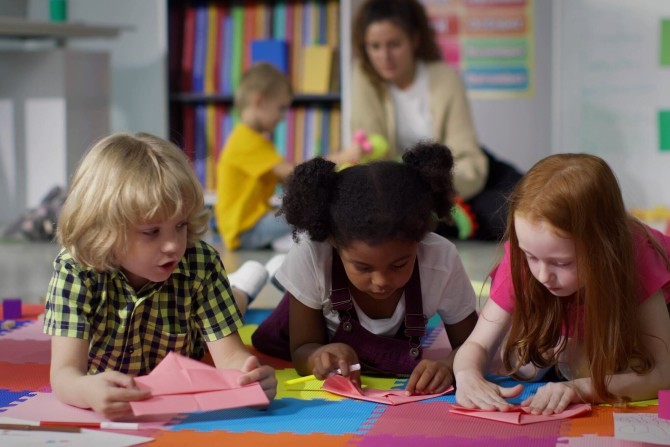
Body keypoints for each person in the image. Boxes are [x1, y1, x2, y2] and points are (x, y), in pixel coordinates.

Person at [43, 132, 277, 420]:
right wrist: (86, 389)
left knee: (236, 301)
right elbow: (65, 374)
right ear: (104, 228)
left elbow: (229, 357)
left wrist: (250, 377)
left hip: (193, 342)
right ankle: (241, 283)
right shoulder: (75, 269)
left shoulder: (198, 261)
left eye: (180, 226)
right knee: (232, 299)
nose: (173, 245)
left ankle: (245, 283)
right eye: (151, 232)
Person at [252, 142, 479, 395]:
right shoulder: (312, 254)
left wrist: (450, 366)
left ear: (420, 240)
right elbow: (302, 349)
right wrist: (319, 356)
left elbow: (474, 344)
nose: (382, 280)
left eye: (399, 264)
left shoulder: (441, 260)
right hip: (304, 308)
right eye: (363, 267)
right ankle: (253, 281)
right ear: (334, 243)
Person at [453, 153, 670, 415]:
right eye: (531, 257)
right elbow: (477, 344)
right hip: (574, 318)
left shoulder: (637, 258)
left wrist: (580, 389)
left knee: (602, 367)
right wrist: (467, 376)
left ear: (602, 249)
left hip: (637, 315)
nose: (543, 274)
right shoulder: (526, 256)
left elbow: (662, 373)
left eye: (562, 263)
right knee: (523, 360)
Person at [350, 0, 522, 241]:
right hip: (412, 190)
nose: (384, 56)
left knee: (523, 213)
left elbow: (470, 160)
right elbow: (372, 157)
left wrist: (432, 189)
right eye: (375, 46)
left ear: (415, 39)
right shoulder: (363, 78)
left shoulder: (444, 78)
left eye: (394, 44)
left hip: (463, 175)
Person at [215, 62, 362, 252]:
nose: (283, 117)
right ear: (259, 101)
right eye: (281, 108)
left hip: (251, 226)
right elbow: (294, 173)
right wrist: (342, 157)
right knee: (311, 209)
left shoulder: (251, 139)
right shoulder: (245, 140)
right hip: (246, 231)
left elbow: (289, 181)